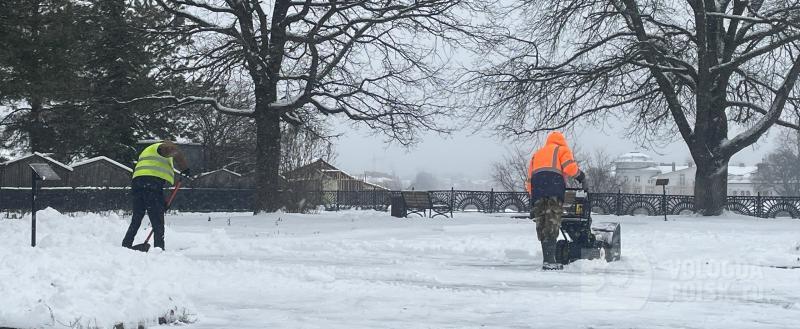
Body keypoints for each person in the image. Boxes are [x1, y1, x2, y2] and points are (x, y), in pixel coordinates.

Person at [526, 131, 587, 270]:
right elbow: (570, 168)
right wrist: (582, 177)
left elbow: (529, 179)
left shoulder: (537, 154)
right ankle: (550, 261)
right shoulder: (562, 150)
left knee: (542, 223)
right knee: (552, 221)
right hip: (553, 189)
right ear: (561, 141)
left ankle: (547, 259)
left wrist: (532, 197)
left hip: (538, 192)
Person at [121, 141, 190, 251]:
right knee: (157, 219)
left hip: (138, 183)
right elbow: (172, 149)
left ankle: (126, 244)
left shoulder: (147, 151)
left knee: (137, 217)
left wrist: (161, 205)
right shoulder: (161, 147)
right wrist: (185, 168)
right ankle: (159, 249)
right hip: (151, 183)